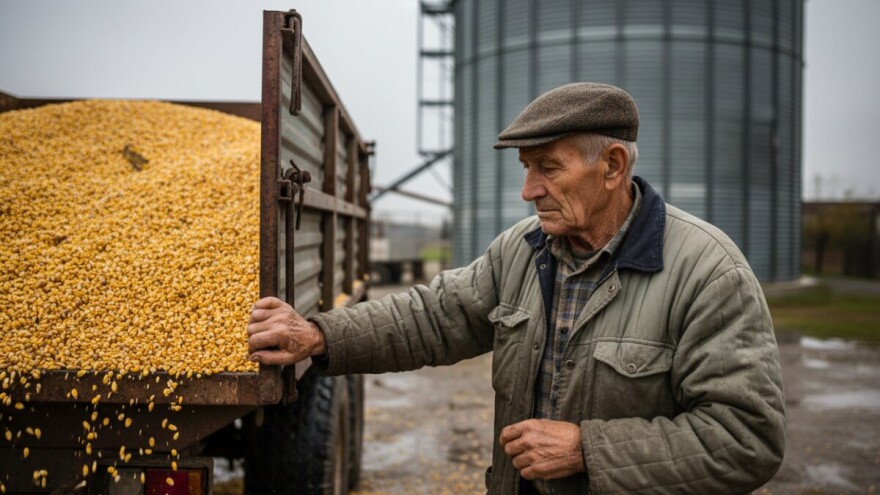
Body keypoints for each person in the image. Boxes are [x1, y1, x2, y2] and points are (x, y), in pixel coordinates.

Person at [247, 82, 785, 494]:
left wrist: (588, 450)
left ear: (612, 166)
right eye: (527, 168)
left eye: (549, 168)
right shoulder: (523, 249)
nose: (529, 190)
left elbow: (746, 440)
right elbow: (433, 316)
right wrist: (318, 335)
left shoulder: (707, 273)